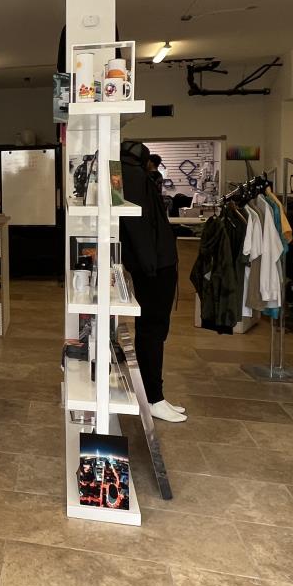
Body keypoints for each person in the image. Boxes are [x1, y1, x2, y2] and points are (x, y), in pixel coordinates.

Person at [119, 141, 186, 423]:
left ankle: (153, 395)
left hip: (153, 264)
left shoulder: (125, 175)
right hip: (156, 267)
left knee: (151, 330)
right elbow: (140, 224)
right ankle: (153, 397)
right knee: (153, 330)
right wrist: (149, 266)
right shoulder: (134, 177)